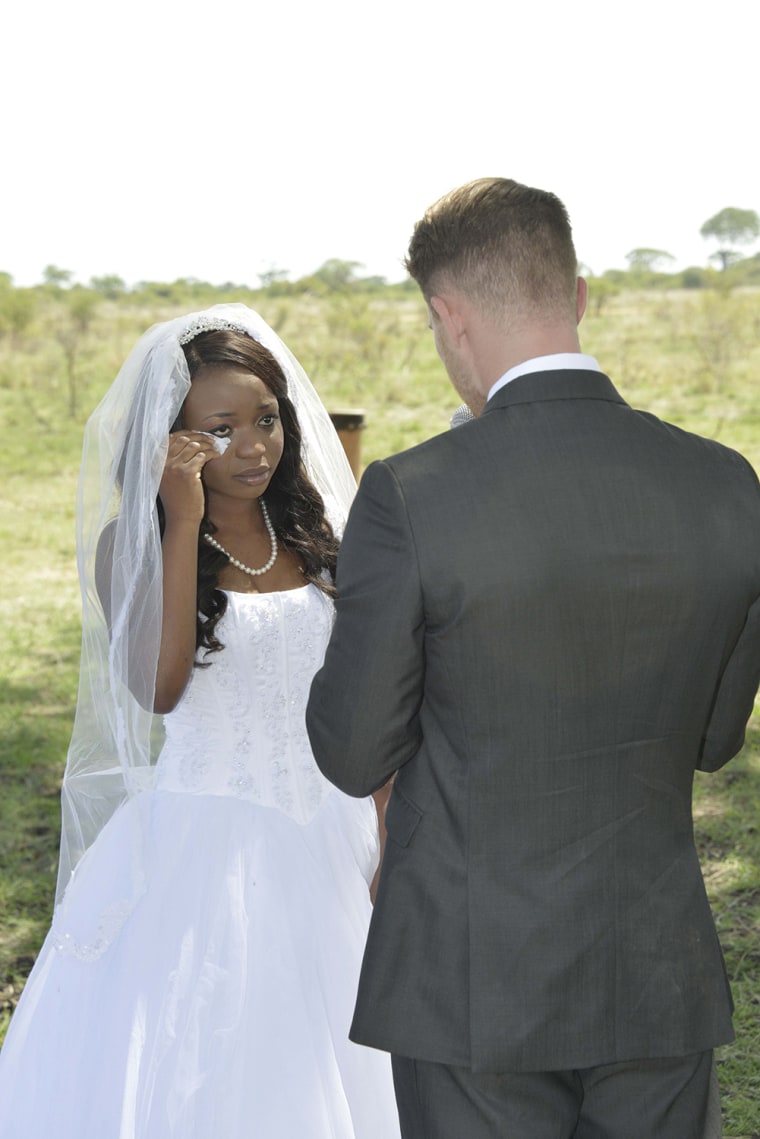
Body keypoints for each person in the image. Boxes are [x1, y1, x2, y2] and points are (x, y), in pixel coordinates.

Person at [306, 179, 760, 1138]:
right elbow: (715, 738)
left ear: (446, 314)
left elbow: (352, 751)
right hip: (654, 967)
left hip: (472, 983)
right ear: (580, 295)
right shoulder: (727, 484)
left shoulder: (410, 493)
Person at [0, 303, 401, 1138]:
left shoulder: (317, 535)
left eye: (267, 419)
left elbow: (377, 688)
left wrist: (387, 825)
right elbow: (160, 686)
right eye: (221, 429)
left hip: (334, 832)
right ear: (169, 440)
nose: (253, 445)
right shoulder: (131, 545)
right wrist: (180, 522)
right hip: (206, 851)